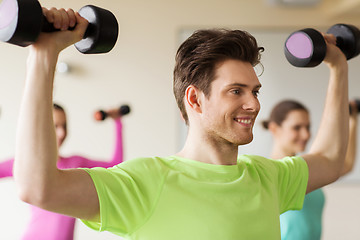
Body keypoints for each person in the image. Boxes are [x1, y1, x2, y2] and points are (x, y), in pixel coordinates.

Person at [13, 7, 349, 239]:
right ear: (194, 99)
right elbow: (37, 187)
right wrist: (44, 56)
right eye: (236, 91)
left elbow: (332, 160)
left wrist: (339, 66)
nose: (254, 104)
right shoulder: (144, 183)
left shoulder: (269, 178)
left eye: (255, 91)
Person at [0, 103, 126, 240]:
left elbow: (116, 166)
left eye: (64, 126)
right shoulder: (26, 163)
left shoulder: (76, 163)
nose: (62, 133)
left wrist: (118, 122)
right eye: (55, 126)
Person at [262, 99, 358, 240]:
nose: (306, 135)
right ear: (274, 129)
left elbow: (346, 165)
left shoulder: (304, 169)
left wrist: (352, 119)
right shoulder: (267, 173)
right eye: (297, 128)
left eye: (308, 127)